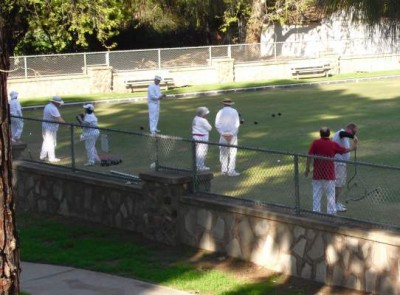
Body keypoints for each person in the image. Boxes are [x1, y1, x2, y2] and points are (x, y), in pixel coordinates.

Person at [305, 126, 357, 215]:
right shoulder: (332, 144)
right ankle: (331, 214)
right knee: (330, 196)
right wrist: (353, 147)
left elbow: (309, 156)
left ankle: (316, 213)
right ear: (329, 134)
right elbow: (344, 150)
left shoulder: (315, 143)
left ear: (320, 134)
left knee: (316, 195)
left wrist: (307, 169)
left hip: (317, 174)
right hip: (329, 175)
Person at [332, 123, 359, 212]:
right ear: (349, 129)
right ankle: (334, 205)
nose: (354, 134)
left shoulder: (345, 136)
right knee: (338, 185)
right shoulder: (341, 133)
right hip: (338, 164)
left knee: (341, 185)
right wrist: (353, 137)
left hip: (342, 164)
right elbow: (342, 134)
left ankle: (335, 203)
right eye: (354, 132)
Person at [215, 98, 240, 176]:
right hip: (233, 135)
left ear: (223, 104)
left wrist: (223, 133)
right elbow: (237, 124)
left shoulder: (220, 112)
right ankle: (231, 170)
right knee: (233, 152)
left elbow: (217, 124)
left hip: (223, 134)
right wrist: (232, 134)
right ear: (231, 104)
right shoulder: (234, 111)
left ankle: (224, 169)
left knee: (223, 152)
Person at [40, 96, 65, 162]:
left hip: (45, 126)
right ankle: (52, 158)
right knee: (51, 142)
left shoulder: (47, 106)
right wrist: (67, 125)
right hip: (50, 128)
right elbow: (59, 119)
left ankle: (43, 156)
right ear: (56, 103)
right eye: (59, 103)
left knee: (46, 141)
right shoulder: (53, 109)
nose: (60, 104)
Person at [192, 106, 212, 171]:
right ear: (203, 114)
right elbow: (209, 128)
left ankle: (197, 165)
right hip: (202, 137)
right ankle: (201, 166)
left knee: (197, 152)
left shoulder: (195, 118)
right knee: (202, 152)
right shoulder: (203, 120)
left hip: (195, 137)